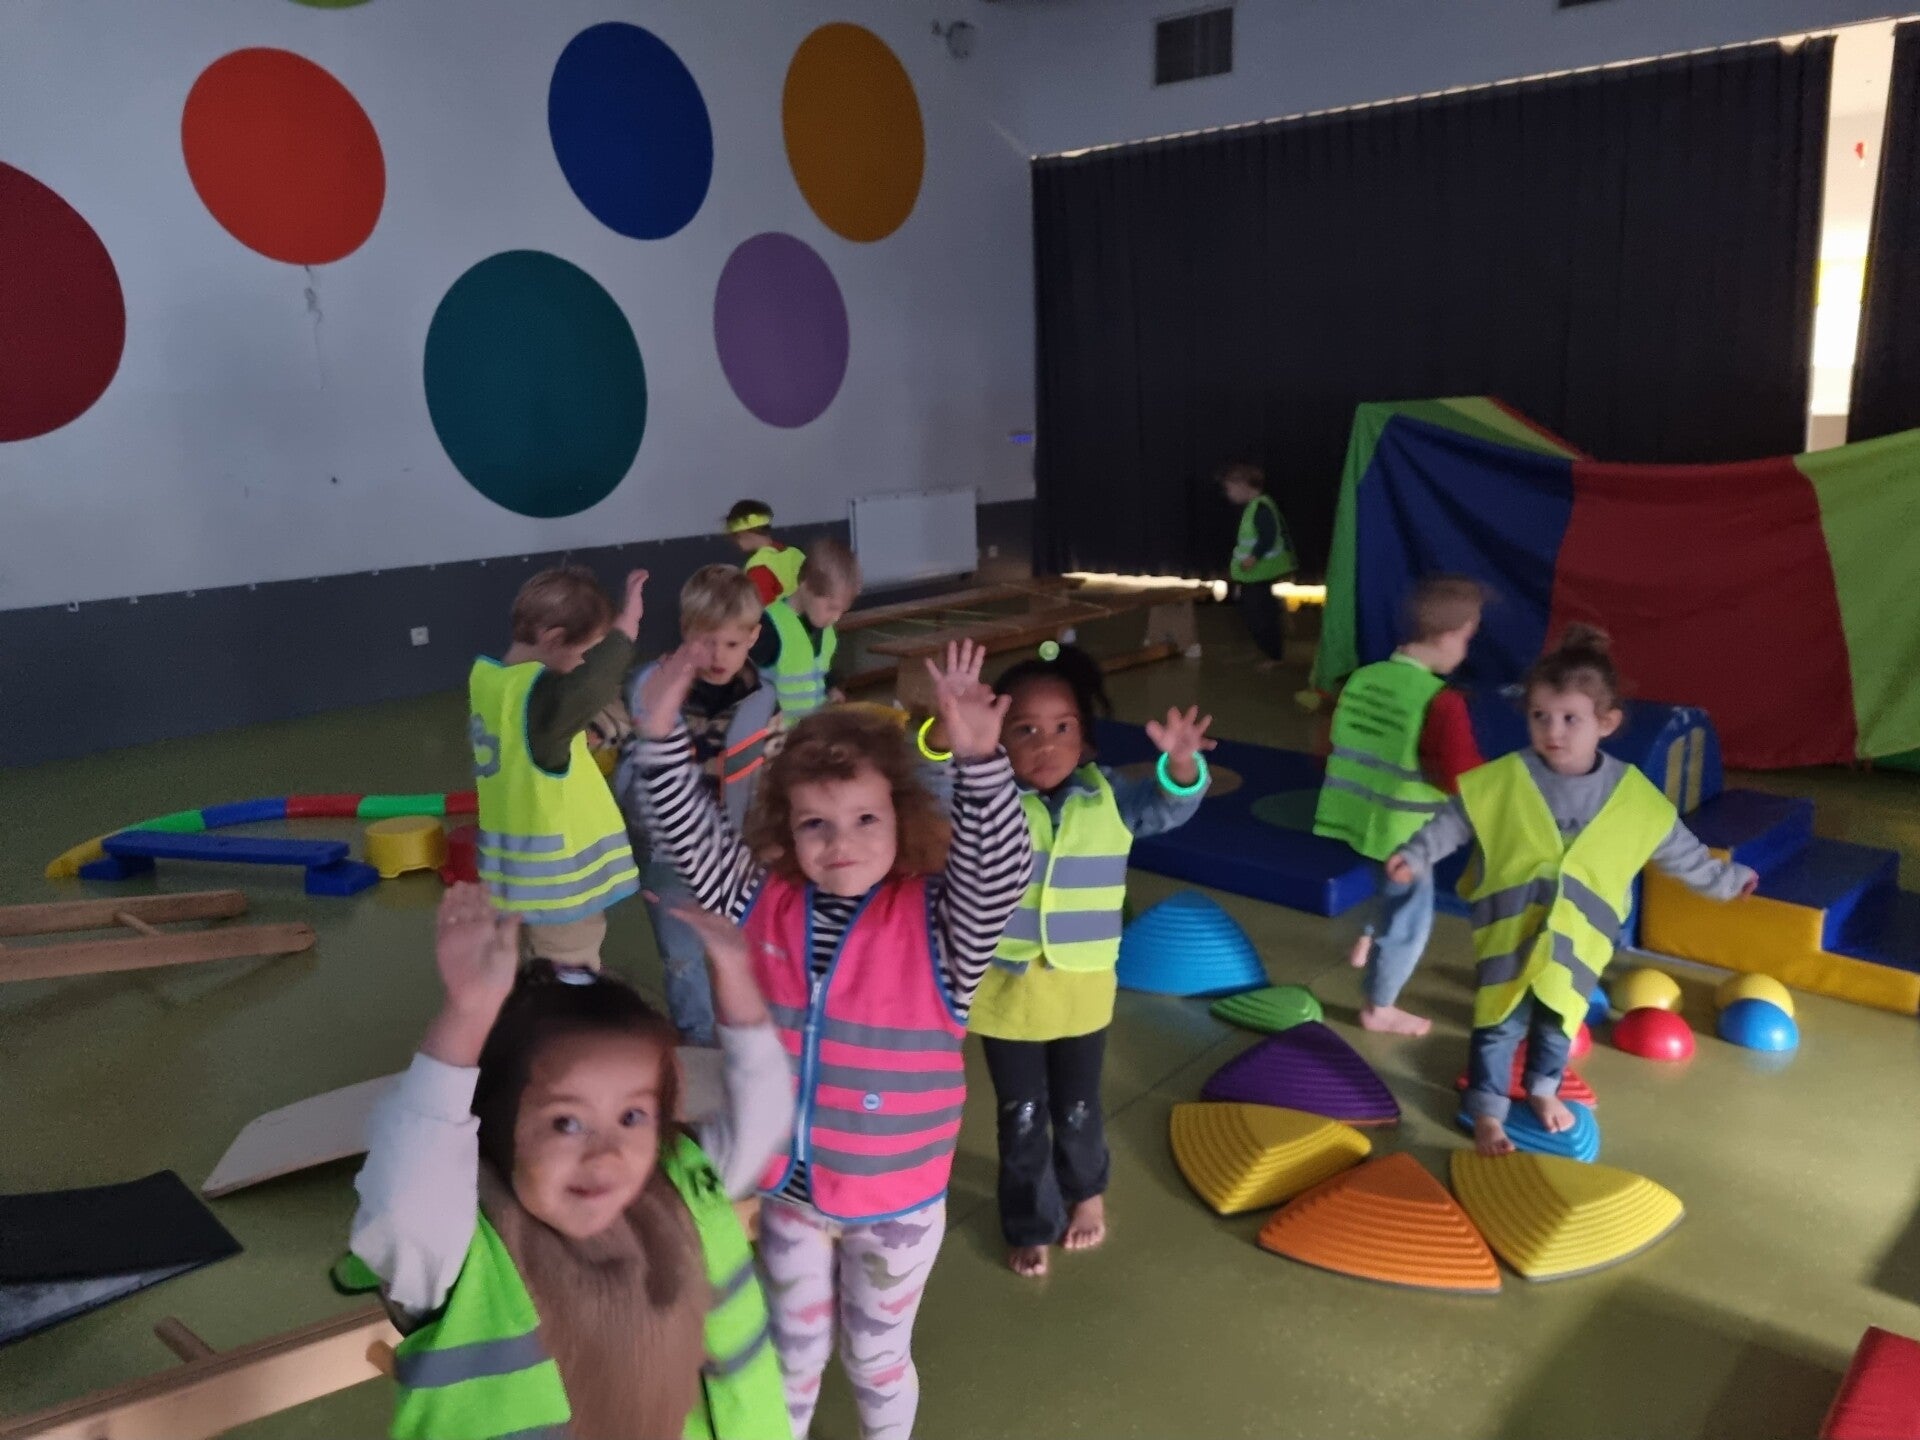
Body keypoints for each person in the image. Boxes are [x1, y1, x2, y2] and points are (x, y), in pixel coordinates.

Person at [631, 638, 1031, 1440]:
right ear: (785, 828)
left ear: (902, 819)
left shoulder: (944, 928)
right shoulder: (763, 902)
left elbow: (998, 874)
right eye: (815, 822)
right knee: (794, 1353)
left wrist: (981, 761)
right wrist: (658, 733)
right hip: (791, 1193)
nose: (839, 841)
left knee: (876, 1360)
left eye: (864, 819)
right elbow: (691, 839)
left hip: (895, 1201)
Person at [342, 884, 795, 1440]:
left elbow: (763, 1117)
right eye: (566, 1122)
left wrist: (738, 982)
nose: (606, 1151)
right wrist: (467, 1015)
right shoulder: (457, 1248)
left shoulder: (676, 1192)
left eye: (632, 1116)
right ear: (495, 1124)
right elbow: (406, 1194)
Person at [1387, 626, 1757, 1156]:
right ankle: (1488, 1110)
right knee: (1498, 1020)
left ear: (1606, 723)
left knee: (1558, 1019)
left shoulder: (1632, 797)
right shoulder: (1506, 780)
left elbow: (1680, 851)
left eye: (1570, 718)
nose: (1552, 731)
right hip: (1511, 932)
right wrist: (1416, 855)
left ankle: (1543, 1089)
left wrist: (1729, 881)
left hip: (1579, 941)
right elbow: (1454, 821)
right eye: (1540, 716)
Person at [969, 643, 1212, 1278]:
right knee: (1021, 1115)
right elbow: (932, 779)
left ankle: (1086, 1192)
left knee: (1077, 1107)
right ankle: (1030, 1221)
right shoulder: (984, 798)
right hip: (1006, 995)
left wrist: (1181, 765)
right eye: (1025, 730)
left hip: (1082, 992)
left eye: (1062, 727)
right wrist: (951, 736)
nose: (1045, 744)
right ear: (996, 739)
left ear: (1086, 738)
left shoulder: (1114, 796)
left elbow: (1170, 805)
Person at [1312, 576, 1487, 1036]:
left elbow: (1324, 747)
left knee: (1383, 886)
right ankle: (1379, 1006)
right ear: (1450, 635)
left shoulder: (1359, 680)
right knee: (1409, 919)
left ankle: (1368, 937)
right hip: (1406, 834)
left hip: (1352, 816)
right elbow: (1461, 778)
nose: (1465, 651)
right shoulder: (1440, 702)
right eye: (1467, 639)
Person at [616, 565, 778, 1048]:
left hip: (739, 852)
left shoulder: (764, 703)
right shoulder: (654, 687)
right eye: (707, 641)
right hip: (668, 854)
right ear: (686, 631)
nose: (718, 655)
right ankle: (699, 1038)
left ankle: (749, 1032)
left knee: (744, 949)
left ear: (752, 637)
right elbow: (616, 731)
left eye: (732, 643)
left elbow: (778, 772)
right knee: (682, 957)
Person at [468, 565, 646, 972]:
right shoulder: (541, 702)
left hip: (515, 875)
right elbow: (592, 686)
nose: (585, 665)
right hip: (559, 886)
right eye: (586, 653)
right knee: (568, 968)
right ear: (552, 639)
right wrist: (628, 626)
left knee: (529, 967)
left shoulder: (494, 683)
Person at [749, 537, 860, 720]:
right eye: (831, 607)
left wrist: (831, 688)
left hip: (811, 731)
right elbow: (745, 682)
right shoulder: (769, 628)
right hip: (777, 734)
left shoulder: (826, 630)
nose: (836, 617)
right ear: (805, 584)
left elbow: (816, 673)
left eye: (842, 611)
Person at [1218, 460, 1296, 666]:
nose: (1228, 493)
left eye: (1230, 488)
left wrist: (1253, 558)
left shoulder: (1261, 508)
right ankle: (1268, 648)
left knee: (1260, 615)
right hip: (1254, 573)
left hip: (1260, 571)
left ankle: (1274, 654)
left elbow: (1268, 536)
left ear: (1244, 485)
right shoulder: (1255, 507)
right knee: (1255, 610)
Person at [725, 499, 807, 605]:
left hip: (782, 616)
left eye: (735, 536)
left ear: (743, 533)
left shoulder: (758, 567)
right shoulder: (796, 553)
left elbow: (763, 610)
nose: (734, 541)